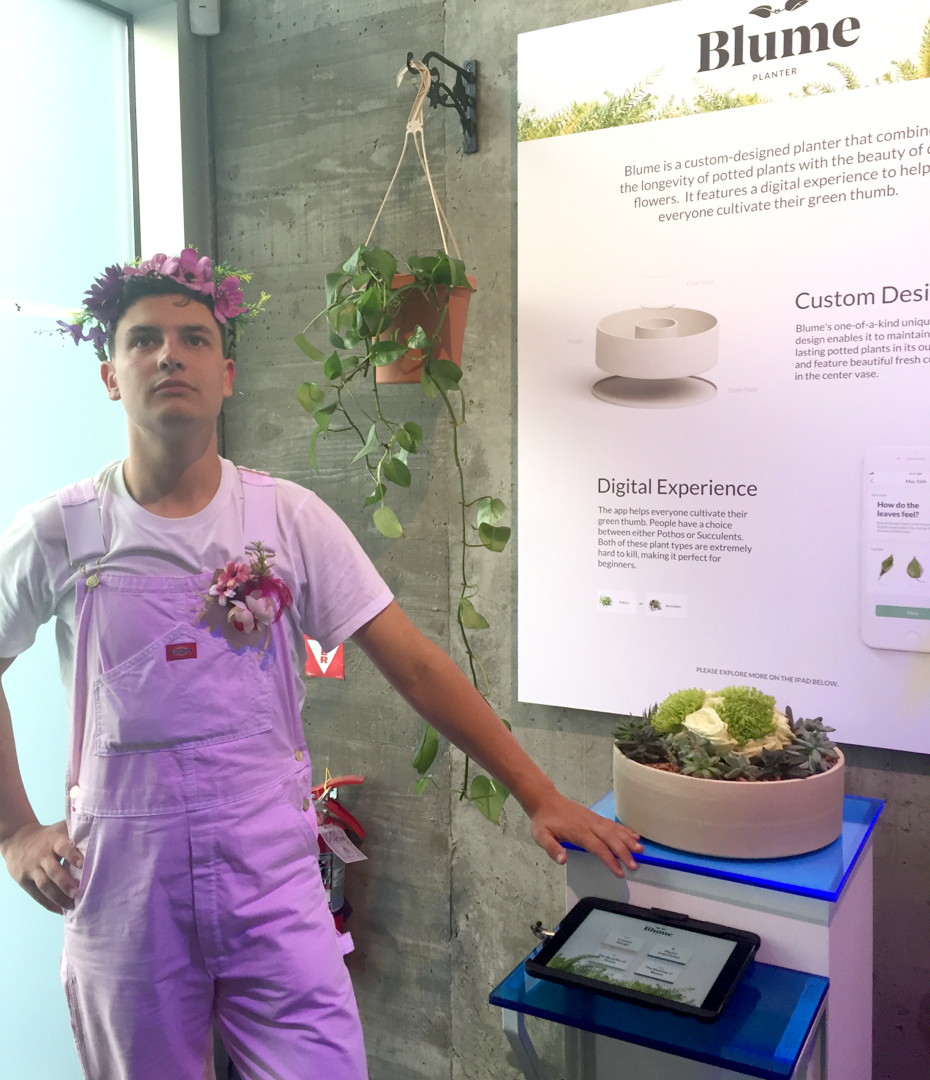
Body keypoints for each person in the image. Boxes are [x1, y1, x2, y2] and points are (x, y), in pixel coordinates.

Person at [0, 249, 642, 1080]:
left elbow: (415, 665)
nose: (169, 356)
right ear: (109, 376)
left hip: (269, 884)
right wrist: (15, 831)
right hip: (122, 889)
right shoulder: (60, 531)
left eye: (194, 339)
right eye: (144, 340)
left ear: (228, 375)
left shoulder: (287, 519)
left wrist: (540, 793)